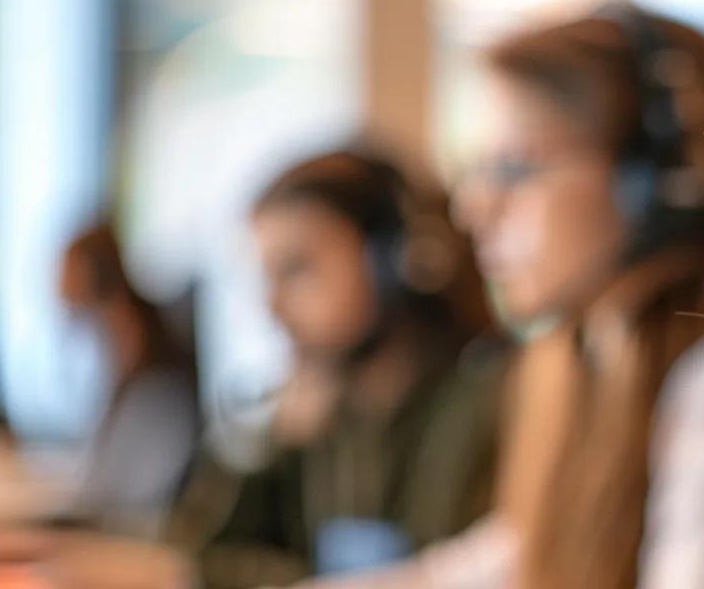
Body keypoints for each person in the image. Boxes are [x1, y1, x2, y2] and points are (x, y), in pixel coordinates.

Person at [307, 3, 704, 589]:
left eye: (515, 170)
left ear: (655, 185)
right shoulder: (586, 360)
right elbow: (489, 569)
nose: (472, 209)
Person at [163, 149, 507, 589]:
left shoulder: (482, 402)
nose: (272, 306)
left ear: (391, 261)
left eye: (298, 269)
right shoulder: (324, 415)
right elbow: (203, 554)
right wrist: (258, 447)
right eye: (267, 277)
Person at [58, 222, 200, 538]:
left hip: (136, 539)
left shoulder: (159, 386)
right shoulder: (117, 358)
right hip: (116, 526)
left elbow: (130, 504)